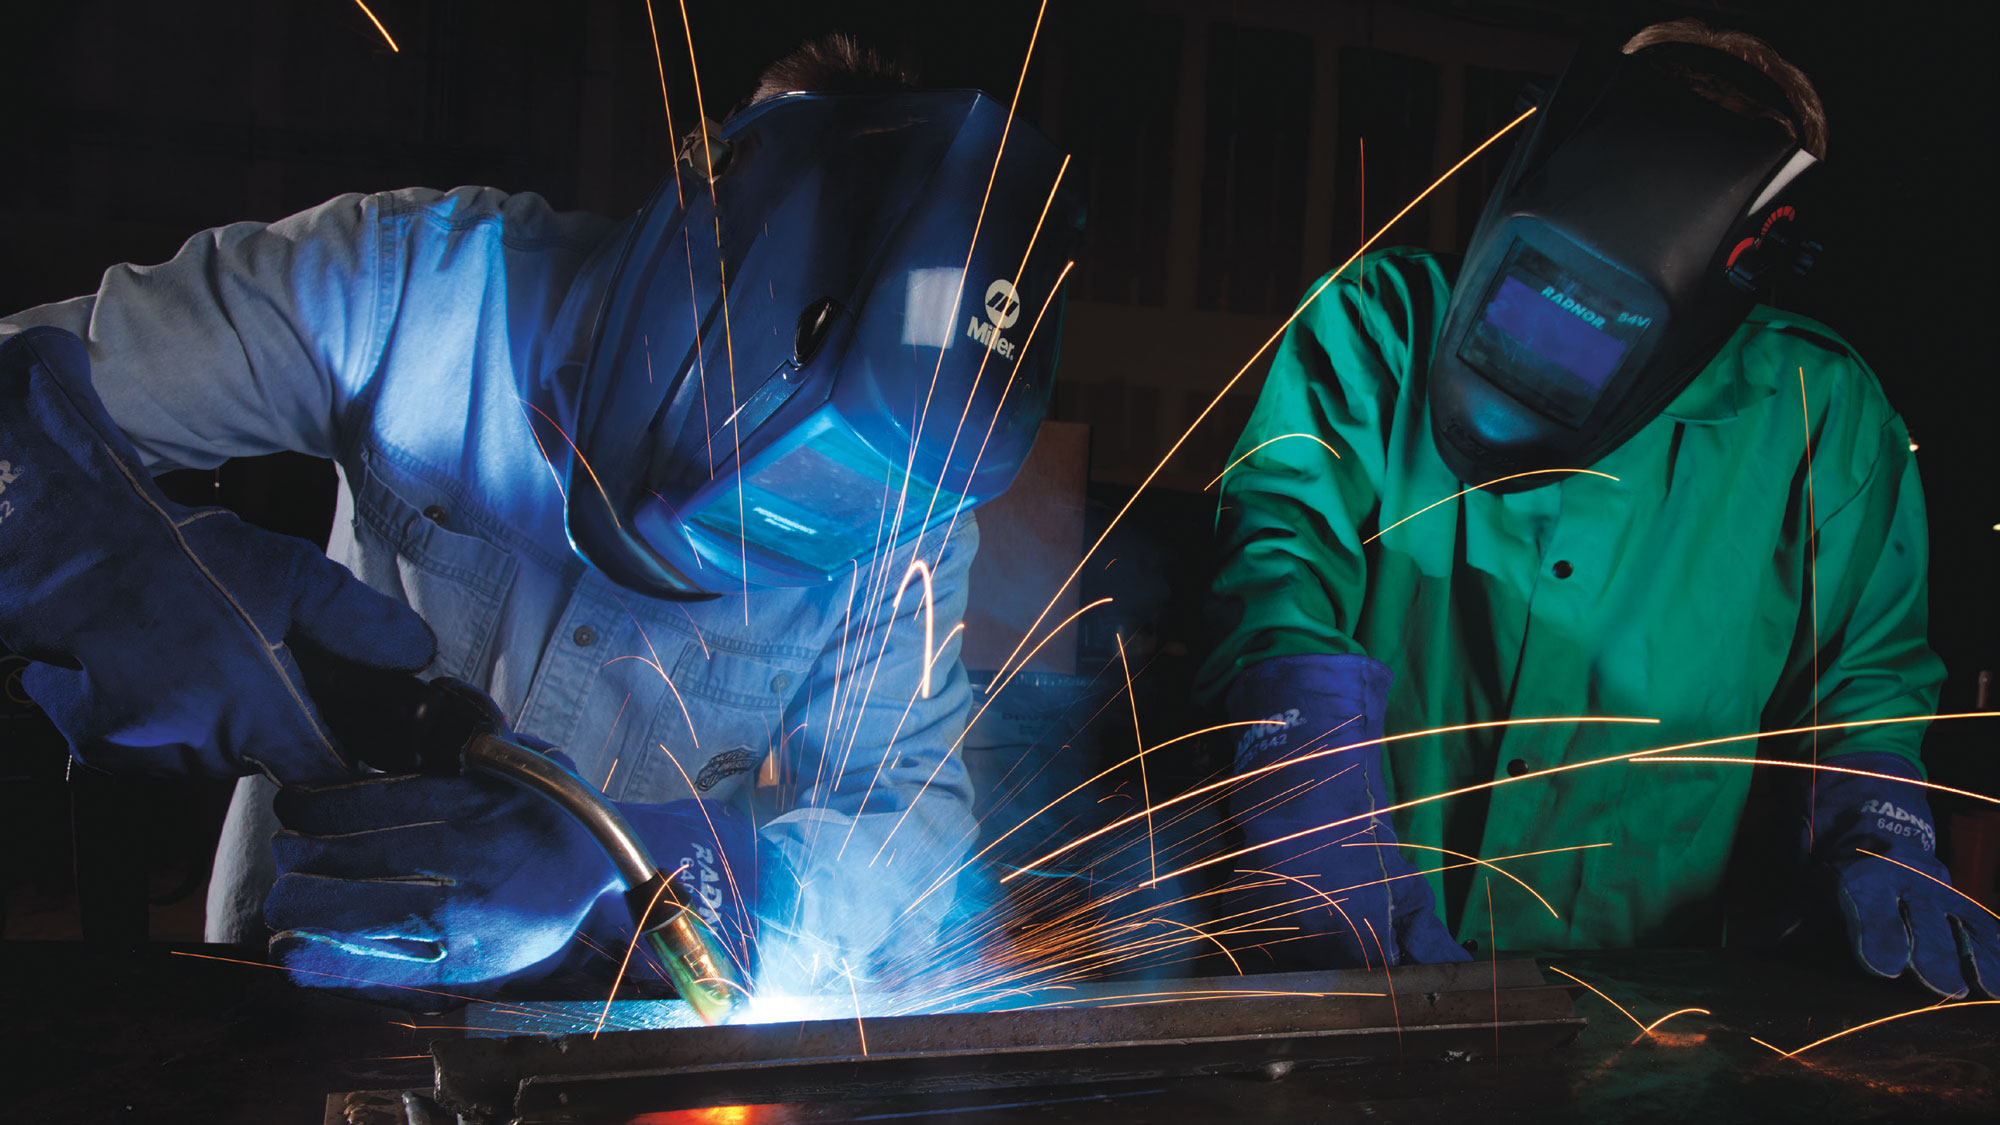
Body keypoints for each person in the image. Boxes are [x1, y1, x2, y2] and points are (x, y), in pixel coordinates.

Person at [0, 35, 1083, 1006]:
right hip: (298, 971)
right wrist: (97, 562)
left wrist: (662, 868)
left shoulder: (904, 514)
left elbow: (914, 836)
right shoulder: (409, 288)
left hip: (603, 1014)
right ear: (703, 202)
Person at [1195, 19, 1996, 998]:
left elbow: (1864, 681)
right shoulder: (1378, 324)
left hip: (1654, 995)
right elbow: (1277, 570)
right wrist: (1308, 794)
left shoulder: (1821, 410)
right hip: (1372, 969)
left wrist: (1879, 829)